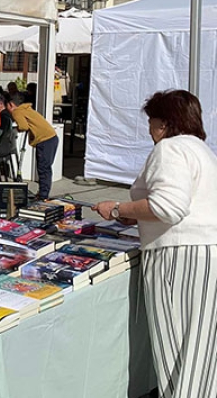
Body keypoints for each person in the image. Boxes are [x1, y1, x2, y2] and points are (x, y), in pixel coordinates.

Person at [92, 90, 217, 398]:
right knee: (198, 350)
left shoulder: (170, 149)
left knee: (175, 348)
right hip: (203, 251)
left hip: (179, 256)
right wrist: (135, 216)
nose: (149, 129)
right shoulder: (201, 150)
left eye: (151, 122)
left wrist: (119, 209)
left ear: (163, 123)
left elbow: (169, 207)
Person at [7, 93, 57, 200]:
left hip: (44, 140)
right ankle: (43, 192)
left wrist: (16, 129)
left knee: (43, 168)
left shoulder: (17, 112)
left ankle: (43, 195)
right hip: (52, 137)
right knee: (45, 167)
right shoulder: (27, 109)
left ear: (11, 104)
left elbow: (23, 126)